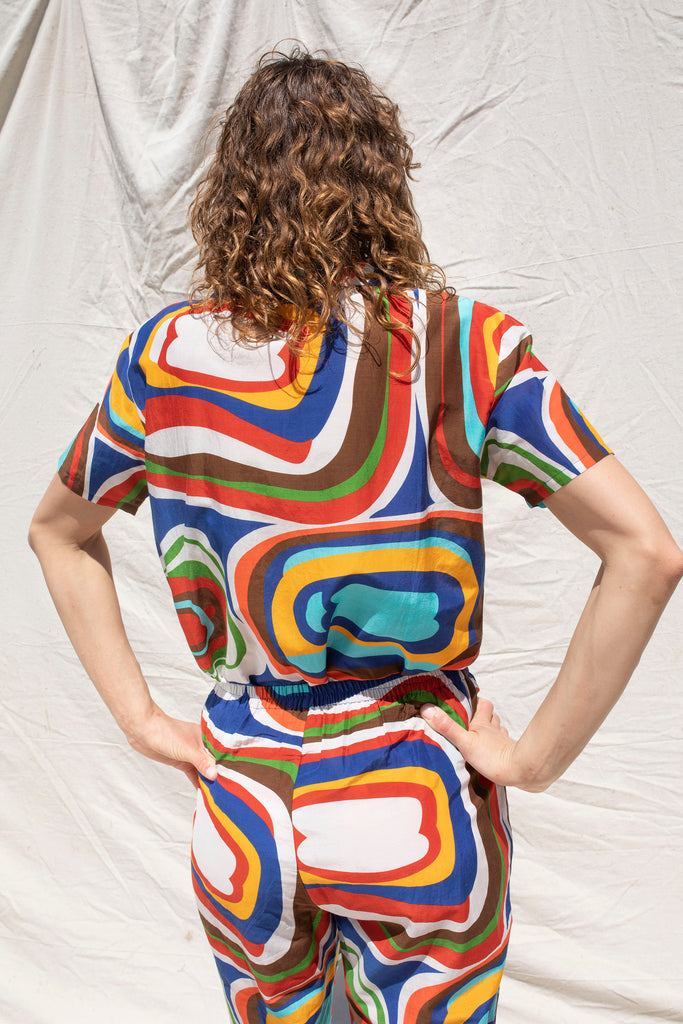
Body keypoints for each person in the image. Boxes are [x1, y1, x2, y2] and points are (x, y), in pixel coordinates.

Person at [29, 49, 682, 1024]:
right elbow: (646, 550)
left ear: (232, 193)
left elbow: (55, 529)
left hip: (244, 803)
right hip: (411, 794)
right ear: (383, 185)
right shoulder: (460, 348)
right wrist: (532, 759)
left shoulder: (162, 360)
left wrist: (143, 721)